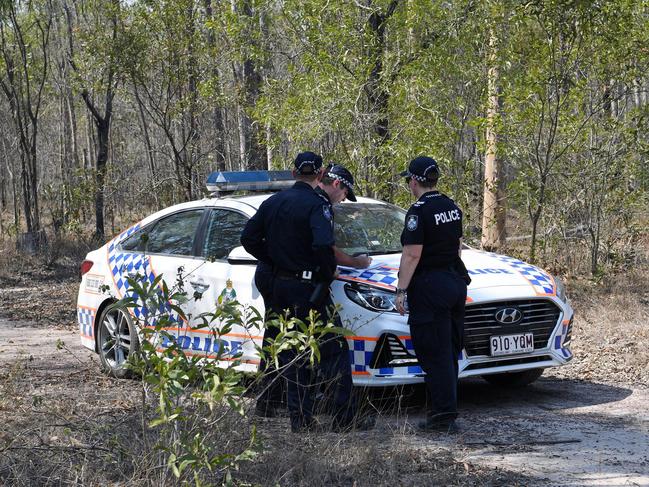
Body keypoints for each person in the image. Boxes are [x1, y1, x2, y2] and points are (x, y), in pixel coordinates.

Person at [240, 151, 338, 432]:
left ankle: (271, 402)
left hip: (278, 284)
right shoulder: (317, 205)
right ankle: (302, 420)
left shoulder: (272, 202)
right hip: (304, 287)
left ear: (294, 173)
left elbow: (248, 238)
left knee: (278, 346)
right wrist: (326, 272)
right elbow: (322, 245)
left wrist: (271, 258)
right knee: (302, 352)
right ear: (319, 175)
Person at [394, 156, 468, 434]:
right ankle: (446, 410)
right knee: (448, 350)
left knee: (432, 351)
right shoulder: (452, 206)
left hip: (430, 286)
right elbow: (458, 247)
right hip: (454, 281)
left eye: (408, 180)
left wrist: (401, 289)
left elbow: (412, 254)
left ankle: (442, 417)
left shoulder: (418, 212)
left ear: (414, 180)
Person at [313, 163, 374, 430]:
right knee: (336, 351)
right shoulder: (319, 206)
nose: (342, 201)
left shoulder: (289, 201)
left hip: (286, 286)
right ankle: (344, 417)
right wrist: (351, 264)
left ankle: (297, 412)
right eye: (344, 194)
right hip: (312, 289)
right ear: (336, 185)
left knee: (300, 353)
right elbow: (325, 246)